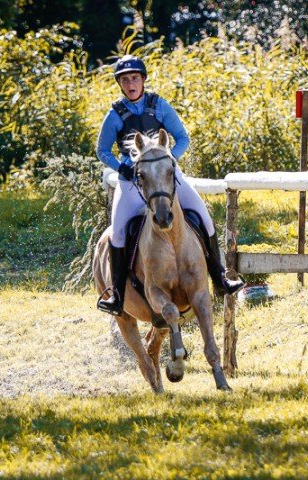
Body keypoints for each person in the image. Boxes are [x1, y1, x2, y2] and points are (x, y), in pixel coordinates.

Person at [96, 54, 244, 315]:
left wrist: (167, 162)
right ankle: (118, 296)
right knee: (117, 232)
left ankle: (220, 278)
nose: (131, 84)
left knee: (202, 216)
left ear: (142, 80)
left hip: (167, 178)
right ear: (120, 84)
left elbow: (182, 138)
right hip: (131, 182)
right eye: (125, 80)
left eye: (135, 78)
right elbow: (102, 150)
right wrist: (123, 168)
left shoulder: (160, 105)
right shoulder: (115, 114)